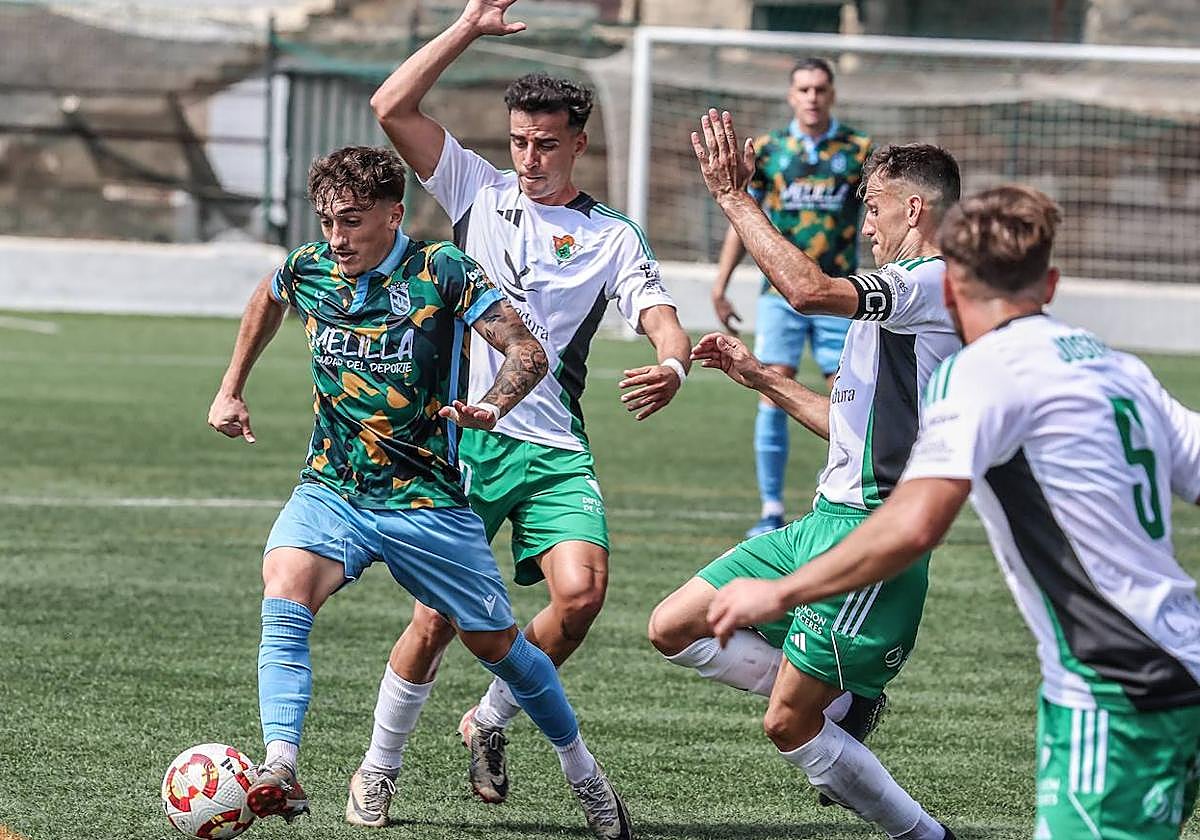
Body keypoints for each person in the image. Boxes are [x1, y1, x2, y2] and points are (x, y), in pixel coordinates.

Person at [708, 184, 1200, 840]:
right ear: (1049, 284)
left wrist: (780, 591)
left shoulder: (978, 376)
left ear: (949, 287)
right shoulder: (1121, 371)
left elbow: (913, 525)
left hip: (1114, 691)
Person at [206, 144, 631, 839]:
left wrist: (492, 405)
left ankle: (583, 772)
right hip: (334, 489)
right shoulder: (310, 268)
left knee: (501, 649)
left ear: (393, 214)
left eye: (351, 222)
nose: (336, 238)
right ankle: (280, 766)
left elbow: (528, 351)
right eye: (326, 222)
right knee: (284, 587)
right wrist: (231, 388)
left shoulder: (442, 270)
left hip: (427, 501)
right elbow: (268, 295)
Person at [344, 0, 690, 829]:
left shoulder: (610, 235)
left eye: (545, 144)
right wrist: (465, 28)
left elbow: (658, 311)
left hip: (552, 447)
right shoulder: (476, 188)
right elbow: (391, 106)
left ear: (578, 141)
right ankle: (377, 769)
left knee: (582, 596)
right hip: (465, 442)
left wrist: (674, 362)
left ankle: (489, 718)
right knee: (434, 619)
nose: (529, 158)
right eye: (520, 142)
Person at [648, 110, 961, 840]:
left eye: (875, 206)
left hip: (871, 531)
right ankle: (848, 709)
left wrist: (734, 197)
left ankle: (925, 835)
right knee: (672, 625)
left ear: (915, 208)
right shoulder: (894, 293)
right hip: (820, 522)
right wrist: (760, 377)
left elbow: (808, 291)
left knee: (787, 723)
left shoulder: (931, 280)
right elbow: (847, 422)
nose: (868, 222)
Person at [710, 58, 872, 538]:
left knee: (852, 393)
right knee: (771, 387)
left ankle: (854, 497)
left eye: (820, 89)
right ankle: (771, 508)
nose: (812, 97)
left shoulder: (859, 150)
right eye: (803, 89)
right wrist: (720, 285)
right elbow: (746, 220)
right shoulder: (772, 151)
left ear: (832, 94)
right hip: (777, 294)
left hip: (839, 292)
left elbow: (879, 217)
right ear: (790, 95)